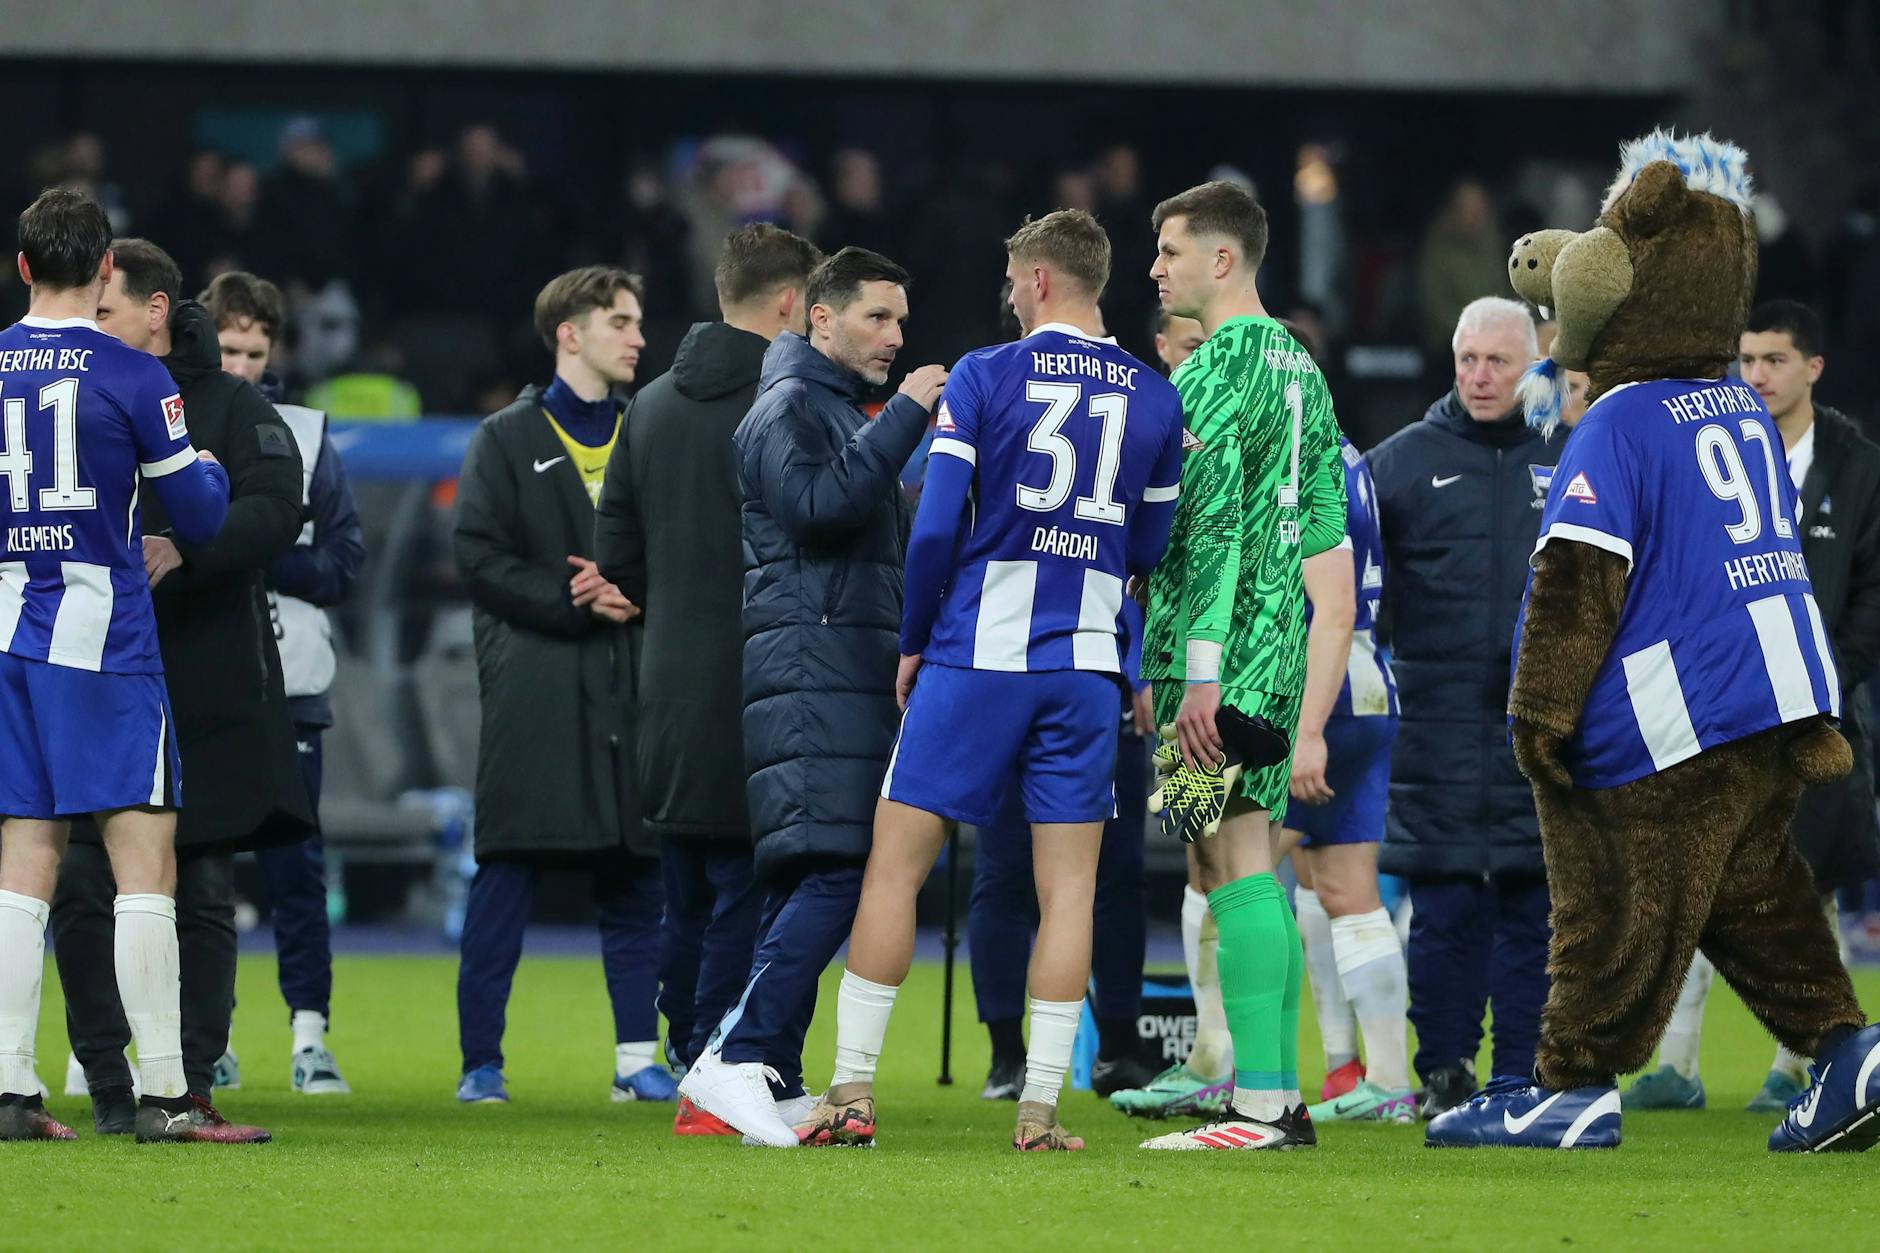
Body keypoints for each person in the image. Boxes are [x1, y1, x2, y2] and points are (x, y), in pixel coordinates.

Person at [795, 211, 1183, 1152]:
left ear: (1042, 280)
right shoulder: (1155, 398)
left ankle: (851, 1094)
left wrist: (915, 638)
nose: (1006, 294)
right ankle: (1041, 1110)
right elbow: (1153, 546)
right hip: (1085, 666)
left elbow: (933, 529)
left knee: (895, 868)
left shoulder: (981, 374)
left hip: (977, 653)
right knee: (1071, 891)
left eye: (1013, 278)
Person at [675, 247, 945, 1146]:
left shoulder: (829, 408)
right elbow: (819, 509)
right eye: (877, 317)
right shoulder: (786, 405)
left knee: (813, 874)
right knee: (835, 867)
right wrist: (907, 413)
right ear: (817, 319)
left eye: (901, 321)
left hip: (835, 675)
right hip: (808, 677)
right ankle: (734, 1055)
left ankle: (774, 1074)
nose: (894, 338)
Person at [0, 189, 242, 1143]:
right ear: (106, 270)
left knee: (24, 857)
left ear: (22, 267)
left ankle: (13, 1091)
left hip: (6, 633)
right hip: (103, 641)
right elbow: (206, 516)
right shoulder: (136, 374)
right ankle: (167, 1095)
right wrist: (209, 467)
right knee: (145, 857)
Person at [56, 237, 308, 1141]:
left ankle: (188, 1079)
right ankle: (108, 1080)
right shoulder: (74, 386)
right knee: (83, 886)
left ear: (155, 309)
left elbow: (281, 508)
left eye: (105, 305)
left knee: (199, 888)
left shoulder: (234, 405)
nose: (90, 321)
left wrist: (186, 546)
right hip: (93, 666)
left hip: (205, 682)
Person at [593, 223, 822, 1136]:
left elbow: (616, 554)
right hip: (767, 672)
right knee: (749, 881)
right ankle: (723, 1058)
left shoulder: (646, 407)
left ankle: (687, 1043)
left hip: (669, 680)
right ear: (787, 305)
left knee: (685, 879)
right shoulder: (793, 402)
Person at [1134, 180, 1348, 1152]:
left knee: (1232, 859)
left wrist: (1201, 671)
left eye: (1169, 250)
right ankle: (1269, 1097)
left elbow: (1206, 525)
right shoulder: (1303, 371)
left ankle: (1261, 1099)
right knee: (1244, 854)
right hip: (1273, 647)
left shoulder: (1214, 368)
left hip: (1211, 660)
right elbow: (1324, 537)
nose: (1155, 268)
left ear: (1221, 261)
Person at [1628, 300, 1880, 1112]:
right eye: (1745, 359)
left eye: (1774, 359)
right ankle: (1677, 1064)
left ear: (1814, 367)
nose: (1757, 375)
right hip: (1722, 705)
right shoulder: (1714, 451)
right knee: (1699, 877)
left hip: (1819, 711)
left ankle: (1795, 1065)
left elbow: (1873, 596)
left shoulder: (1858, 467)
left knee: (1813, 882)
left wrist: (1820, 678)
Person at [451, 266, 671, 1106]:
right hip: (536, 692)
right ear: (568, 334)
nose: (637, 336)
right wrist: (570, 597)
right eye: (619, 320)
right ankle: (482, 1064)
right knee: (506, 871)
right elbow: (476, 556)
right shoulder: (503, 437)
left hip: (631, 688)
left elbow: (676, 547)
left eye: (638, 321)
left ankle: (635, 1060)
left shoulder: (646, 431)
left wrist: (635, 594)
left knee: (634, 876)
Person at [1364, 296, 1561, 1118]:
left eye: (1498, 362)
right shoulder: (1400, 464)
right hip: (1434, 727)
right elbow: (1356, 593)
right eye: (1467, 360)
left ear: (1534, 366)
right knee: (1444, 906)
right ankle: (1444, 1067)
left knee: (1533, 906)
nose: (1480, 376)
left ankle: (1521, 1070)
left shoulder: (1575, 457)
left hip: (1544, 732)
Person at [202, 269, 365, 1095]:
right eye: (228, 347)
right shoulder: (174, 423)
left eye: (254, 351)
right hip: (202, 682)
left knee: (297, 869)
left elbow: (345, 562)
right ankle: (209, 1039)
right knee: (204, 872)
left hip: (292, 680)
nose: (240, 365)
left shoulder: (302, 433)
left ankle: (309, 1038)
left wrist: (256, 551)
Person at [1285, 436, 1412, 1124]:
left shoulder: (1290, 455)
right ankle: (1386, 1080)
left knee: (1226, 874)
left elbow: (1316, 602)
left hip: (1312, 688)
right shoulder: (1347, 454)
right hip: (1368, 684)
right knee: (1346, 890)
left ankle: (1232, 1073)